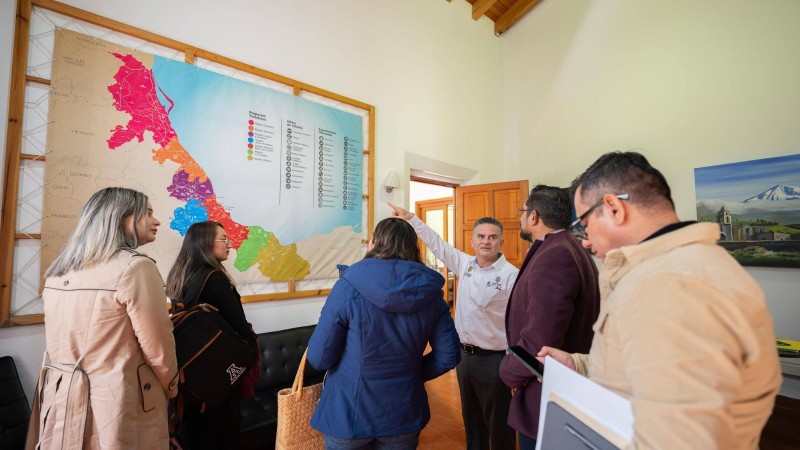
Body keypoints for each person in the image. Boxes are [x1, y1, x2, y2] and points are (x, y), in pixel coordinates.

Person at [539, 152, 782, 449]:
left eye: (584, 226)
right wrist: (580, 364)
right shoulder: (669, 271)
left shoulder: (670, 285)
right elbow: (647, 371)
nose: (586, 241)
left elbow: (681, 440)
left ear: (614, 208)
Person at [37, 187, 178, 449]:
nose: (156, 221)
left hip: (61, 397)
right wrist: (171, 387)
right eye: (147, 213)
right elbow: (159, 346)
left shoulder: (58, 270)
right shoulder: (135, 267)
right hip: (119, 400)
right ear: (121, 217)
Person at [307, 217, 460, 450]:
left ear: (374, 243)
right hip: (403, 412)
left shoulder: (347, 286)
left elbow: (319, 358)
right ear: (414, 248)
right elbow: (449, 356)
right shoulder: (432, 294)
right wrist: (413, 373)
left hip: (348, 412)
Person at [389, 202, 518, 450]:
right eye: (481, 236)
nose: (486, 241)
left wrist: (513, 362)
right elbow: (437, 243)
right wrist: (412, 218)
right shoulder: (465, 264)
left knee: (499, 422)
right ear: (472, 241)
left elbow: (519, 321)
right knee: (472, 418)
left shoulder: (512, 275)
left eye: (492, 237)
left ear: (501, 242)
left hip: (495, 360)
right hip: (464, 357)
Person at [499, 184, 600, 449]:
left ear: (533, 216)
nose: (521, 218)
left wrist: (509, 371)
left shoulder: (555, 255)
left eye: (522, 212)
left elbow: (541, 338)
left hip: (546, 393)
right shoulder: (570, 247)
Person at [166, 221, 258, 449]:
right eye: (224, 239)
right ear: (206, 243)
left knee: (196, 433)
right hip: (220, 374)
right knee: (222, 434)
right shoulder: (214, 278)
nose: (230, 244)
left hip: (191, 374)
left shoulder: (180, 275)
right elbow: (240, 326)